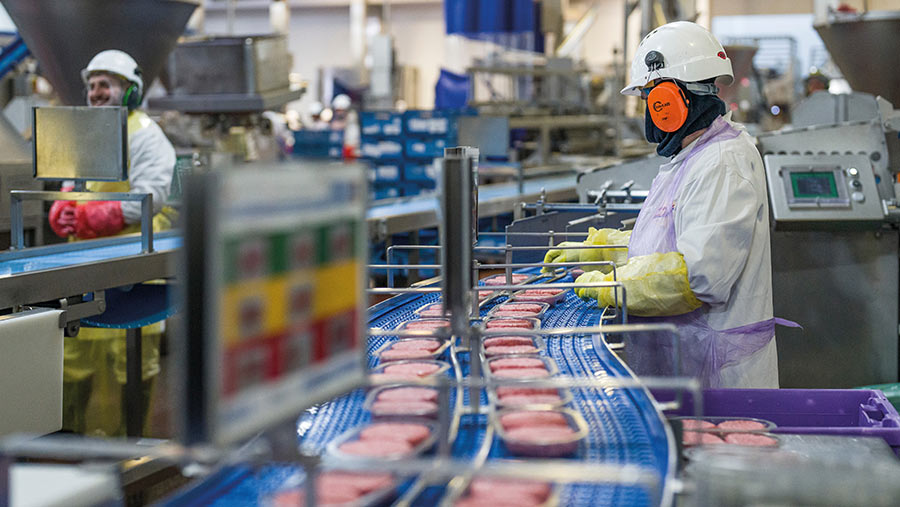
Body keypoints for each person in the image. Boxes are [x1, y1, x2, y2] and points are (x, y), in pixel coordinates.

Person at [547, 22, 795, 388]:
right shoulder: (692, 156)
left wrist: (609, 285)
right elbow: (665, 242)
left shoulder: (723, 161)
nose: (650, 114)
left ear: (671, 101)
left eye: (651, 99)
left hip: (718, 382)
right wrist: (601, 250)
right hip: (685, 371)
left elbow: (695, 277)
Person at [48, 49, 176, 435]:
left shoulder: (146, 135)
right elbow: (70, 186)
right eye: (91, 86)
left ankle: (130, 461)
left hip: (132, 270)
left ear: (130, 91)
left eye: (105, 84)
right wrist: (63, 210)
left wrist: (98, 215)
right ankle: (70, 453)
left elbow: (152, 194)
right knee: (73, 362)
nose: (96, 92)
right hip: (83, 271)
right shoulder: (89, 131)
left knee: (132, 366)